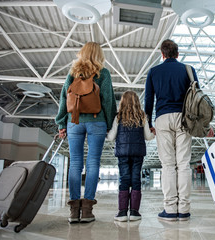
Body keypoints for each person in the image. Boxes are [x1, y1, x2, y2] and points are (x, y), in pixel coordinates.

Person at [55, 42, 116, 223]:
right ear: (99, 55)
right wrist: (110, 122)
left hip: (74, 121)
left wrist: (61, 123)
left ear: (81, 54)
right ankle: (87, 210)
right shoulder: (102, 73)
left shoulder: (73, 73)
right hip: (97, 121)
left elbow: (63, 98)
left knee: (75, 163)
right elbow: (108, 100)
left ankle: (74, 211)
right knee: (93, 162)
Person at [144, 39, 199, 221]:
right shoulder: (188, 70)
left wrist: (149, 123)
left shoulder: (153, 72)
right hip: (184, 118)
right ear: (177, 53)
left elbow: (149, 100)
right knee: (183, 164)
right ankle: (184, 209)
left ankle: (170, 208)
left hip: (162, 118)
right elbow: (198, 97)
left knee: (168, 165)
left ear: (162, 54)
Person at [107, 90, 155, 222]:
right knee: (136, 180)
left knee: (124, 180)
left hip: (122, 153)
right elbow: (148, 136)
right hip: (138, 152)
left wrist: (106, 133)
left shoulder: (118, 117)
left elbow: (111, 137)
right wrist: (153, 133)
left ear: (122, 102)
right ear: (137, 102)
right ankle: (134, 212)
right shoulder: (142, 116)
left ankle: (122, 212)